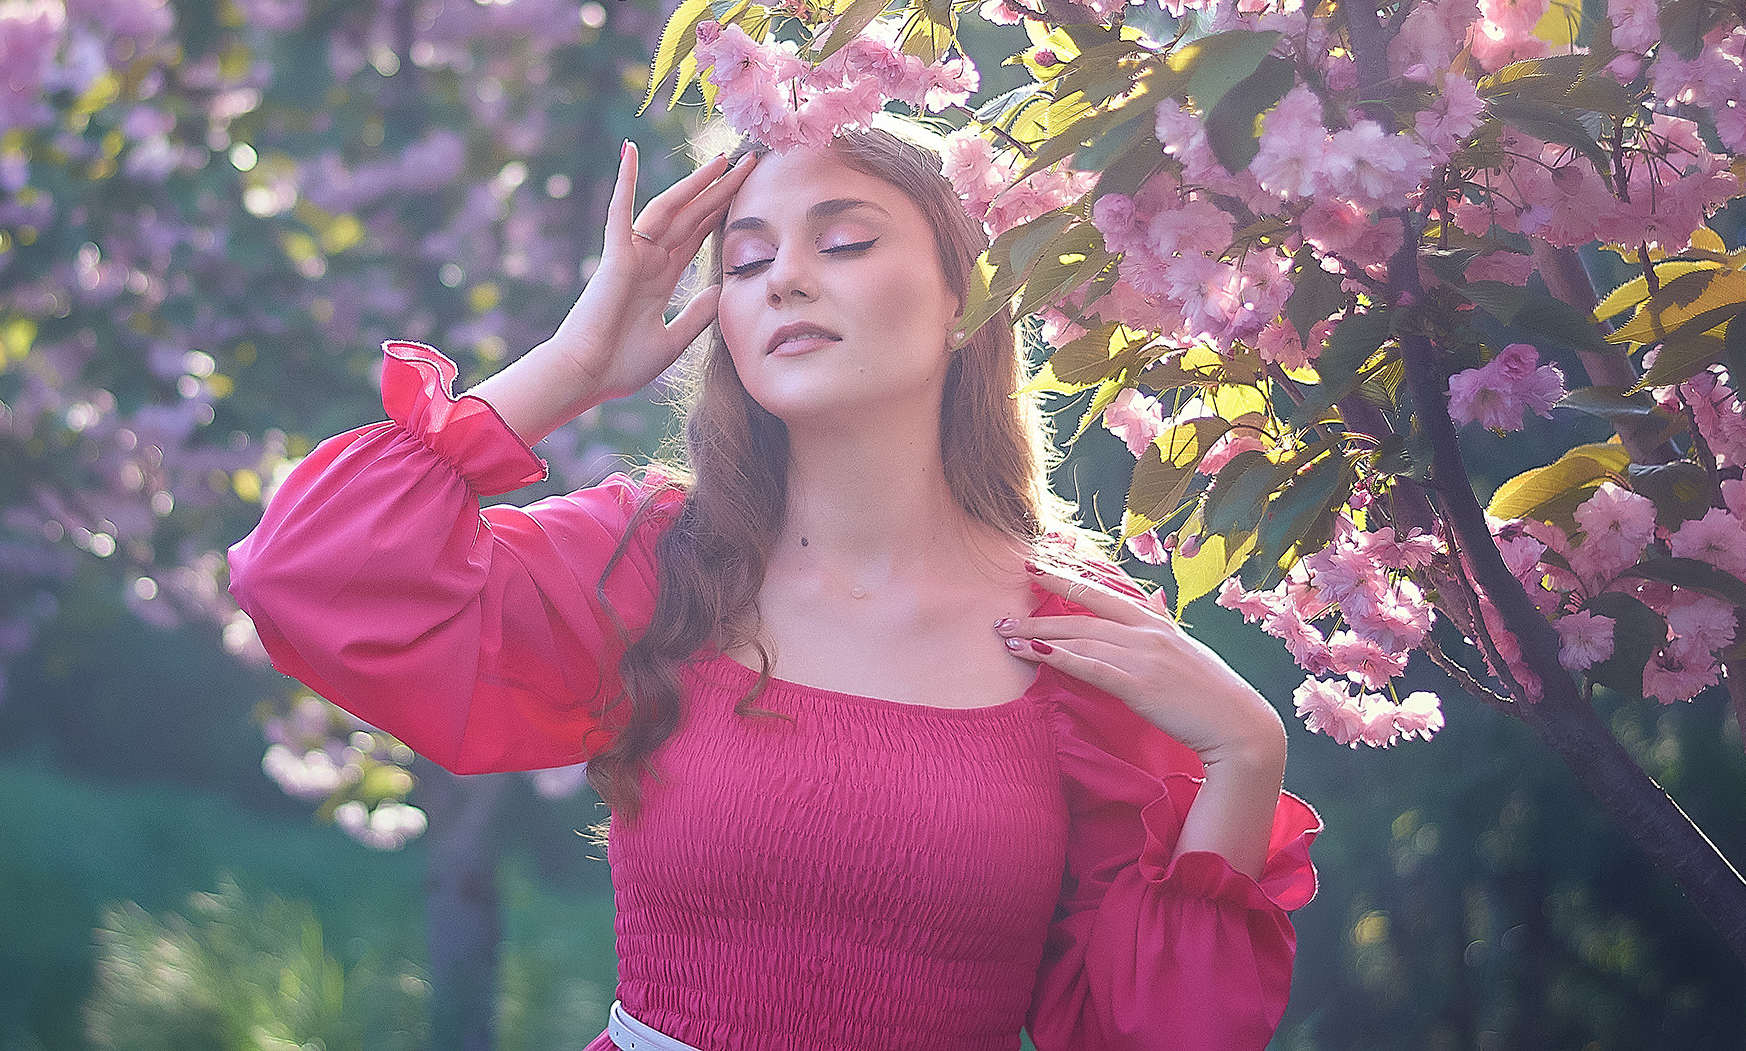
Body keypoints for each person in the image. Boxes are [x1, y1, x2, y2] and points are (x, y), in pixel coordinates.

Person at [229, 116, 1322, 1051]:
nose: (786, 276)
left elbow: (1150, 1036)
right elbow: (309, 575)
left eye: (844, 240)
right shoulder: (657, 561)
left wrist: (1244, 755)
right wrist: (572, 363)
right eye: (745, 264)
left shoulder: (1079, 637)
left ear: (966, 295)